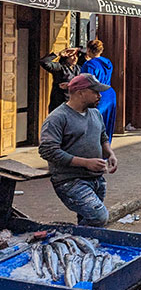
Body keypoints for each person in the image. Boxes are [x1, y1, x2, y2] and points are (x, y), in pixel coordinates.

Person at [38, 74, 118, 226]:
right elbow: (47, 150)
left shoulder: (95, 113)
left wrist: (110, 154)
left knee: (89, 222)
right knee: (99, 217)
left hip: (96, 179)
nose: (99, 96)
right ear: (80, 92)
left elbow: (102, 137)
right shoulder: (58, 118)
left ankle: (81, 245)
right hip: (70, 180)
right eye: (95, 92)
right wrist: (85, 163)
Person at [80, 40, 118, 143]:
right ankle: (106, 151)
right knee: (107, 124)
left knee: (94, 123)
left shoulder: (89, 65)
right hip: (109, 92)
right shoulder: (107, 62)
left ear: (88, 50)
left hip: (97, 93)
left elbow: (87, 82)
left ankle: (94, 151)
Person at [40, 47, 81, 113]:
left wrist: (77, 49)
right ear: (66, 58)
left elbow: (91, 51)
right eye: (72, 56)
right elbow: (44, 62)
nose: (75, 58)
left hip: (74, 103)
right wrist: (58, 53)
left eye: (76, 56)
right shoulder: (60, 67)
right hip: (59, 103)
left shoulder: (78, 68)